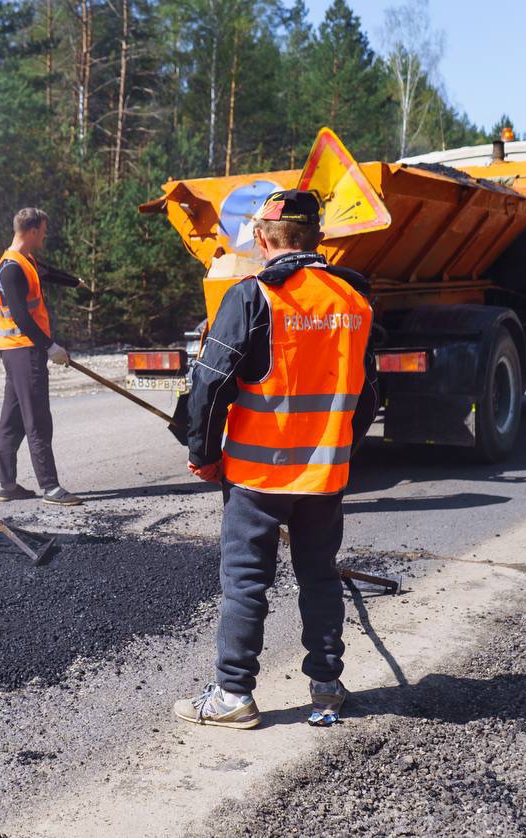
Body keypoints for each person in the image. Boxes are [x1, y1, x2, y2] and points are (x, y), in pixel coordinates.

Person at [173, 190, 373, 730]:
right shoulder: (353, 299)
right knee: (320, 578)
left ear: (262, 239)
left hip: (257, 477)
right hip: (324, 476)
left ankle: (234, 694)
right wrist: (339, 448)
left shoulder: (252, 296)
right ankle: (327, 690)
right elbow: (369, 393)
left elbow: (210, 385)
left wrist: (203, 456)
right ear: (319, 239)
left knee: (245, 582)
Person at [0, 207, 84, 506]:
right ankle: (51, 487)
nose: (45, 234)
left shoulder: (23, 260)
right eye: (43, 230)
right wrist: (49, 346)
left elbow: (46, 272)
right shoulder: (11, 268)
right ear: (32, 231)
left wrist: (76, 282)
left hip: (17, 350)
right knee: (37, 420)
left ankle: (7, 484)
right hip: (23, 350)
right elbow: (20, 315)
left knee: (13, 419)